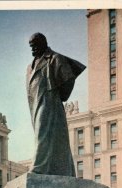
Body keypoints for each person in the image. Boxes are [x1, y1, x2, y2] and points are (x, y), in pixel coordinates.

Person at [26, 33, 86, 176]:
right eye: (31, 46)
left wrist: (60, 96)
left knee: (43, 134)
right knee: (49, 137)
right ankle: (59, 170)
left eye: (35, 45)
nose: (33, 49)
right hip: (35, 104)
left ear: (43, 43)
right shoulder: (30, 66)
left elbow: (69, 78)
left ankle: (39, 167)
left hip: (49, 103)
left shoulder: (54, 58)